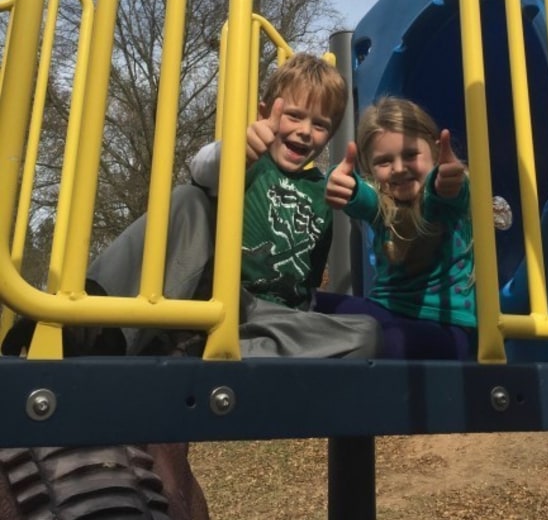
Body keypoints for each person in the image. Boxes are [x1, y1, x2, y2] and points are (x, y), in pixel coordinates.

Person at [4, 53, 382, 359]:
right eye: (294, 116)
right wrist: (236, 149)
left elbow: (362, 226)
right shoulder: (247, 160)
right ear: (265, 112)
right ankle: (91, 325)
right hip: (216, 297)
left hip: (270, 319)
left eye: (319, 125)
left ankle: (203, 350)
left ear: (329, 134)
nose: (304, 130)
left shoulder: (323, 191)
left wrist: (356, 195)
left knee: (364, 335)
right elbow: (202, 169)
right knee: (187, 200)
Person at [320, 96, 476, 359]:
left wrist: (447, 182)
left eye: (411, 154)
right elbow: (364, 198)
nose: (399, 168)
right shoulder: (383, 203)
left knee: (386, 340)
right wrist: (345, 184)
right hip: (384, 311)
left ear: (435, 152)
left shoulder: (444, 194)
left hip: (447, 327)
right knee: (311, 304)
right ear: (369, 167)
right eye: (384, 161)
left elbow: (443, 197)